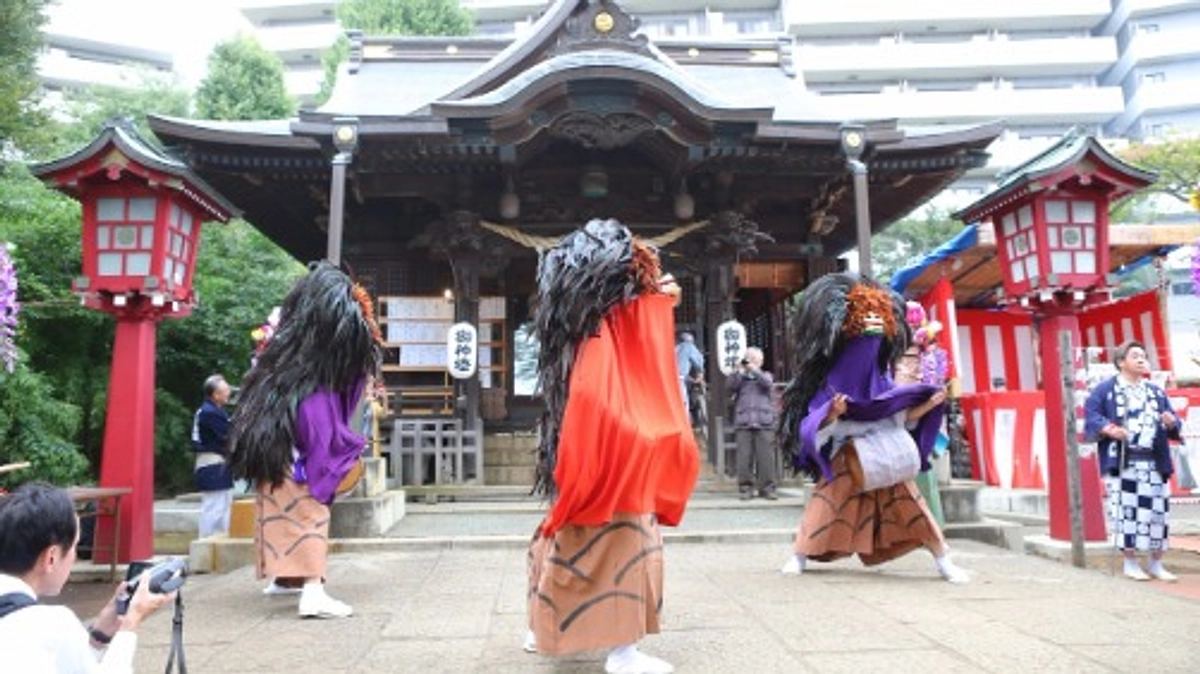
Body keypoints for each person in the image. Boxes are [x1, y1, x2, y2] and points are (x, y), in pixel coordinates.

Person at [524, 219, 699, 674]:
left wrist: (657, 298)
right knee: (628, 550)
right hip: (616, 470)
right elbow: (604, 405)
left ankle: (543, 626)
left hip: (597, 467)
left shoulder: (594, 327)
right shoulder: (607, 331)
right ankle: (622, 652)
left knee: (563, 545)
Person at [776, 273, 968, 583]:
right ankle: (799, 555)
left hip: (886, 452)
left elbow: (901, 417)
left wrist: (930, 405)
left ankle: (943, 558)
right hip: (846, 455)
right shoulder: (831, 384)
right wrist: (832, 413)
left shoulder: (885, 383)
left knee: (913, 505)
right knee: (825, 506)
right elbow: (814, 426)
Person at [228, 261, 382, 618]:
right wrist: (346, 450)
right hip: (297, 464)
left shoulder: (282, 370)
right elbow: (323, 437)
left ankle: (284, 579)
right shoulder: (316, 389)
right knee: (308, 516)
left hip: (273, 455)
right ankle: (312, 588)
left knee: (276, 517)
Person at [0, 482, 174, 673]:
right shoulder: (51, 624)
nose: (74, 557)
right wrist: (131, 622)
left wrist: (99, 635)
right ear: (51, 557)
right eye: (74, 546)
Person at [1084, 340, 1180, 582]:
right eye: (1135, 355)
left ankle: (1156, 562)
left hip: (1154, 461)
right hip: (1125, 461)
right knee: (1127, 512)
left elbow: (1174, 422)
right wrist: (1108, 428)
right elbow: (1091, 414)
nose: (1141, 359)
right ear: (1120, 362)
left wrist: (1171, 422)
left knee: (1158, 512)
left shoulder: (1156, 391)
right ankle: (1130, 561)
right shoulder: (1105, 389)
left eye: (1143, 355)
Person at [727, 346, 778, 500]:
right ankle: (745, 488)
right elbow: (730, 386)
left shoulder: (766, 375)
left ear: (761, 362)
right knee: (744, 458)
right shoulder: (739, 378)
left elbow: (767, 383)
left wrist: (754, 370)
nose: (751, 362)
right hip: (744, 421)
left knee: (766, 458)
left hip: (764, 421)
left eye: (755, 359)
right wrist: (741, 371)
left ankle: (767, 489)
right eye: (749, 358)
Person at [192, 374, 233, 538]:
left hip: (217, 463)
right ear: (215, 395)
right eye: (226, 391)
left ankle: (219, 539)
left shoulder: (213, 411)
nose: (228, 394)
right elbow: (228, 435)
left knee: (223, 505)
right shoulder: (210, 413)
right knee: (214, 507)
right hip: (212, 463)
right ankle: (206, 541)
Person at [674, 331, 704, 410]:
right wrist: (700, 374)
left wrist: (690, 379)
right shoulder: (688, 346)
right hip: (679, 380)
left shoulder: (674, 348)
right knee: (683, 404)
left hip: (669, 380)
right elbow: (698, 361)